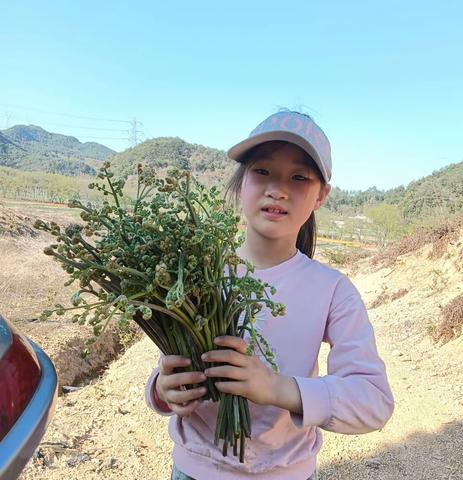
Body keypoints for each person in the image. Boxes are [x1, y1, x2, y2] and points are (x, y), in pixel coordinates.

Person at [145, 110, 395, 480]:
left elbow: (374, 402)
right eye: (262, 171)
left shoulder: (332, 290)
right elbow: (170, 366)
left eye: (299, 177)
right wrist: (163, 389)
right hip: (195, 471)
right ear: (240, 182)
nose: (277, 189)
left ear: (321, 196)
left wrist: (278, 388)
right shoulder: (198, 273)